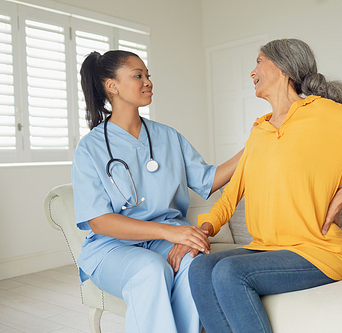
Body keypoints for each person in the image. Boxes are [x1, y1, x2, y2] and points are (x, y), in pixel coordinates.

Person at [188, 39, 342, 333]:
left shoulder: (330, 115)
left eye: (259, 61)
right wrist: (204, 229)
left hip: (318, 252)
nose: (251, 72)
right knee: (201, 268)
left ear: (283, 67)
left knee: (230, 273)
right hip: (267, 249)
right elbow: (231, 195)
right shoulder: (260, 130)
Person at [72, 50, 242, 333]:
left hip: (168, 238)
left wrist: (254, 146)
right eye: (138, 76)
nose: (148, 82)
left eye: (148, 75)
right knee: (151, 270)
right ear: (112, 86)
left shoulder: (168, 136)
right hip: (113, 247)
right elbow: (99, 221)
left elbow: (208, 180)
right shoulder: (90, 148)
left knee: (194, 263)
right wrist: (169, 232)